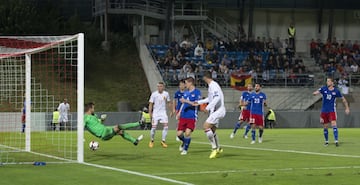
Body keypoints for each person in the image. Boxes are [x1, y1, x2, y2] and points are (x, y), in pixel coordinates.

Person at [195, 71, 226, 159]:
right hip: (216, 111)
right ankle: (218, 148)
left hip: (218, 111)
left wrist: (207, 108)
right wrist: (199, 102)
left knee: (206, 127)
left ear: (205, 77)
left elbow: (217, 98)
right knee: (212, 130)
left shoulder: (213, 85)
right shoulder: (211, 86)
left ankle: (214, 148)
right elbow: (210, 98)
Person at [313, 78, 350, 147]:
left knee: (333, 124)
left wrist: (347, 108)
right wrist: (315, 93)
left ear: (332, 83)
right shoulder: (324, 89)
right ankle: (326, 141)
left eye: (329, 81)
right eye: (327, 81)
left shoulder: (336, 91)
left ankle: (336, 141)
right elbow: (317, 92)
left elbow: (343, 100)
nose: (327, 82)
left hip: (332, 110)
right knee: (325, 126)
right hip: (324, 111)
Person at [177, 77, 201, 155]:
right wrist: (179, 112)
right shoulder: (186, 92)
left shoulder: (197, 92)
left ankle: (185, 150)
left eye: (186, 83)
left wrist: (186, 101)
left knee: (187, 133)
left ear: (190, 83)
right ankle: (184, 142)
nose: (185, 85)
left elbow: (196, 103)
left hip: (191, 116)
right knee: (179, 134)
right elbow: (183, 104)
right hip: (183, 115)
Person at [148, 82, 172, 148]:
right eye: (158, 86)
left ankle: (163, 141)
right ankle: (152, 140)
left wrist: (171, 111)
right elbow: (151, 104)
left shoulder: (166, 94)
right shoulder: (154, 94)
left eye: (161, 86)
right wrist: (150, 112)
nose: (159, 88)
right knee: (153, 128)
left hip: (163, 112)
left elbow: (169, 102)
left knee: (166, 126)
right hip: (155, 113)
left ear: (163, 87)